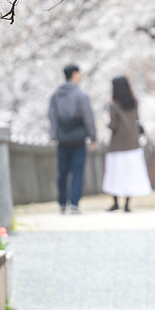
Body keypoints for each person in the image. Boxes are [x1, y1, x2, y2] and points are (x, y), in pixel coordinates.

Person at [48, 64, 97, 213]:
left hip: (62, 139)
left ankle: (62, 203)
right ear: (75, 74)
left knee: (62, 171)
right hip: (78, 139)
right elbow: (88, 117)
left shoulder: (55, 95)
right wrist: (93, 137)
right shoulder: (81, 95)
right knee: (77, 171)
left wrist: (54, 134)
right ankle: (74, 203)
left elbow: (52, 116)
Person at [102, 76, 152, 212]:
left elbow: (113, 125)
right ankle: (127, 204)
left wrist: (106, 117)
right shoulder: (134, 103)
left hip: (117, 145)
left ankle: (116, 203)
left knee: (115, 174)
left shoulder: (113, 105)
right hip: (133, 144)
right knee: (130, 174)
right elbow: (137, 120)